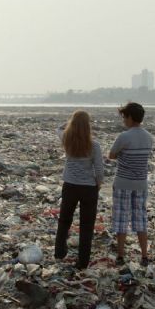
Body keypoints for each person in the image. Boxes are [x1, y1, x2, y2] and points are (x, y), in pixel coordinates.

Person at [54, 110, 104, 270]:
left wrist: (70, 122)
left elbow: (58, 128)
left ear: (72, 124)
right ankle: (82, 262)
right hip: (88, 188)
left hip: (70, 185)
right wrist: (98, 184)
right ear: (88, 126)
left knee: (64, 220)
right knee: (87, 225)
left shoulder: (67, 140)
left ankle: (59, 253)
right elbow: (99, 169)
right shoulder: (94, 145)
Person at [109, 102, 153, 266]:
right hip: (141, 183)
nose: (123, 120)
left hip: (123, 183)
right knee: (140, 220)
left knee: (121, 219)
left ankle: (120, 256)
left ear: (130, 117)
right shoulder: (148, 137)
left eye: (124, 117)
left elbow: (112, 155)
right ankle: (144, 256)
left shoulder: (124, 137)